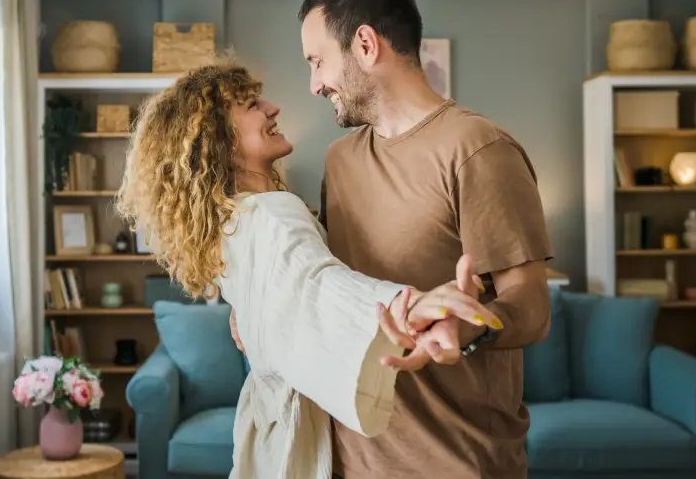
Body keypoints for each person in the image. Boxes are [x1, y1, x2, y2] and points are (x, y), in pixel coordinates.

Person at [113, 60, 501, 479]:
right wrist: (410, 306)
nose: (273, 107)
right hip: (292, 426)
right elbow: (315, 283)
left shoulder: (233, 221)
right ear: (218, 139)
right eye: (251, 104)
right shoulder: (272, 214)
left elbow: (288, 287)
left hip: (268, 425)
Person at [300, 0, 554, 479]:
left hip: (458, 461)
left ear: (366, 45)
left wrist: (469, 326)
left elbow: (533, 305)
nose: (314, 84)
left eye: (318, 61)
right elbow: (324, 284)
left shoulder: (478, 149)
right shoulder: (339, 161)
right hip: (350, 458)